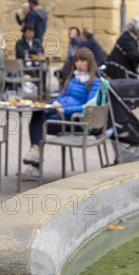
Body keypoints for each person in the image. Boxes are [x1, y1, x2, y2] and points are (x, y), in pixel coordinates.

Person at [23, 48, 101, 178]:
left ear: (89, 63)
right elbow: (62, 97)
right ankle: (35, 152)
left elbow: (88, 107)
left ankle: (35, 161)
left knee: (42, 121)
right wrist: (54, 102)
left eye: (83, 61)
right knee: (37, 112)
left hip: (77, 120)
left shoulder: (95, 82)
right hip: (61, 115)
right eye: (77, 61)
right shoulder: (73, 78)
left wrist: (65, 109)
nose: (79, 64)